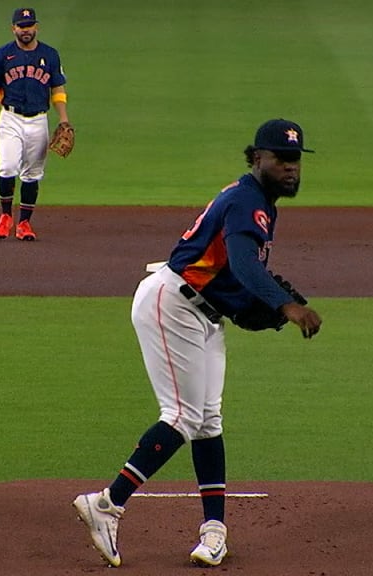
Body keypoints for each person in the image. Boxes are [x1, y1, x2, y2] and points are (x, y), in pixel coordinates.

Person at [72, 119, 324, 568]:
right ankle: (107, 504)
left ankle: (214, 532)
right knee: (183, 416)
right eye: (280, 159)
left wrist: (254, 307)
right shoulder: (247, 200)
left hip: (202, 311)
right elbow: (246, 266)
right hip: (174, 303)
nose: (290, 168)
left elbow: (232, 276)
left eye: (296, 160)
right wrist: (286, 307)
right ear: (256, 159)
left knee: (208, 419)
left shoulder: (257, 200)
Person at [0, 7, 69, 240]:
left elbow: (57, 88)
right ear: (14, 28)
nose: (25, 30)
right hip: (10, 118)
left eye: (29, 26)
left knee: (32, 174)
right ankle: (5, 217)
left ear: (36, 27)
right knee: (7, 167)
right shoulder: (2, 55)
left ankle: (24, 224)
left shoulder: (50, 55)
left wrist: (64, 117)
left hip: (39, 120)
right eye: (21, 26)